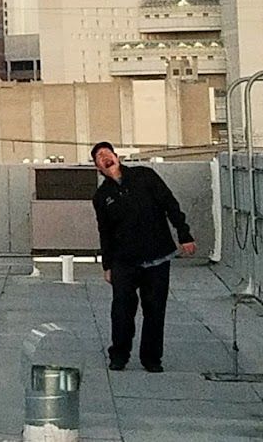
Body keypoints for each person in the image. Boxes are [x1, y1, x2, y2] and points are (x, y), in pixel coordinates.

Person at [91, 141, 197, 372]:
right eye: (99, 157)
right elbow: (105, 232)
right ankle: (119, 356)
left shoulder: (145, 176)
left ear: (117, 157)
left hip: (157, 257)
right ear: (98, 167)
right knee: (121, 311)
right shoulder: (102, 196)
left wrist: (184, 234)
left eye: (107, 153)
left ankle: (151, 359)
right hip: (124, 262)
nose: (105, 157)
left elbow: (170, 204)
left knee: (155, 310)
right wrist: (107, 265)